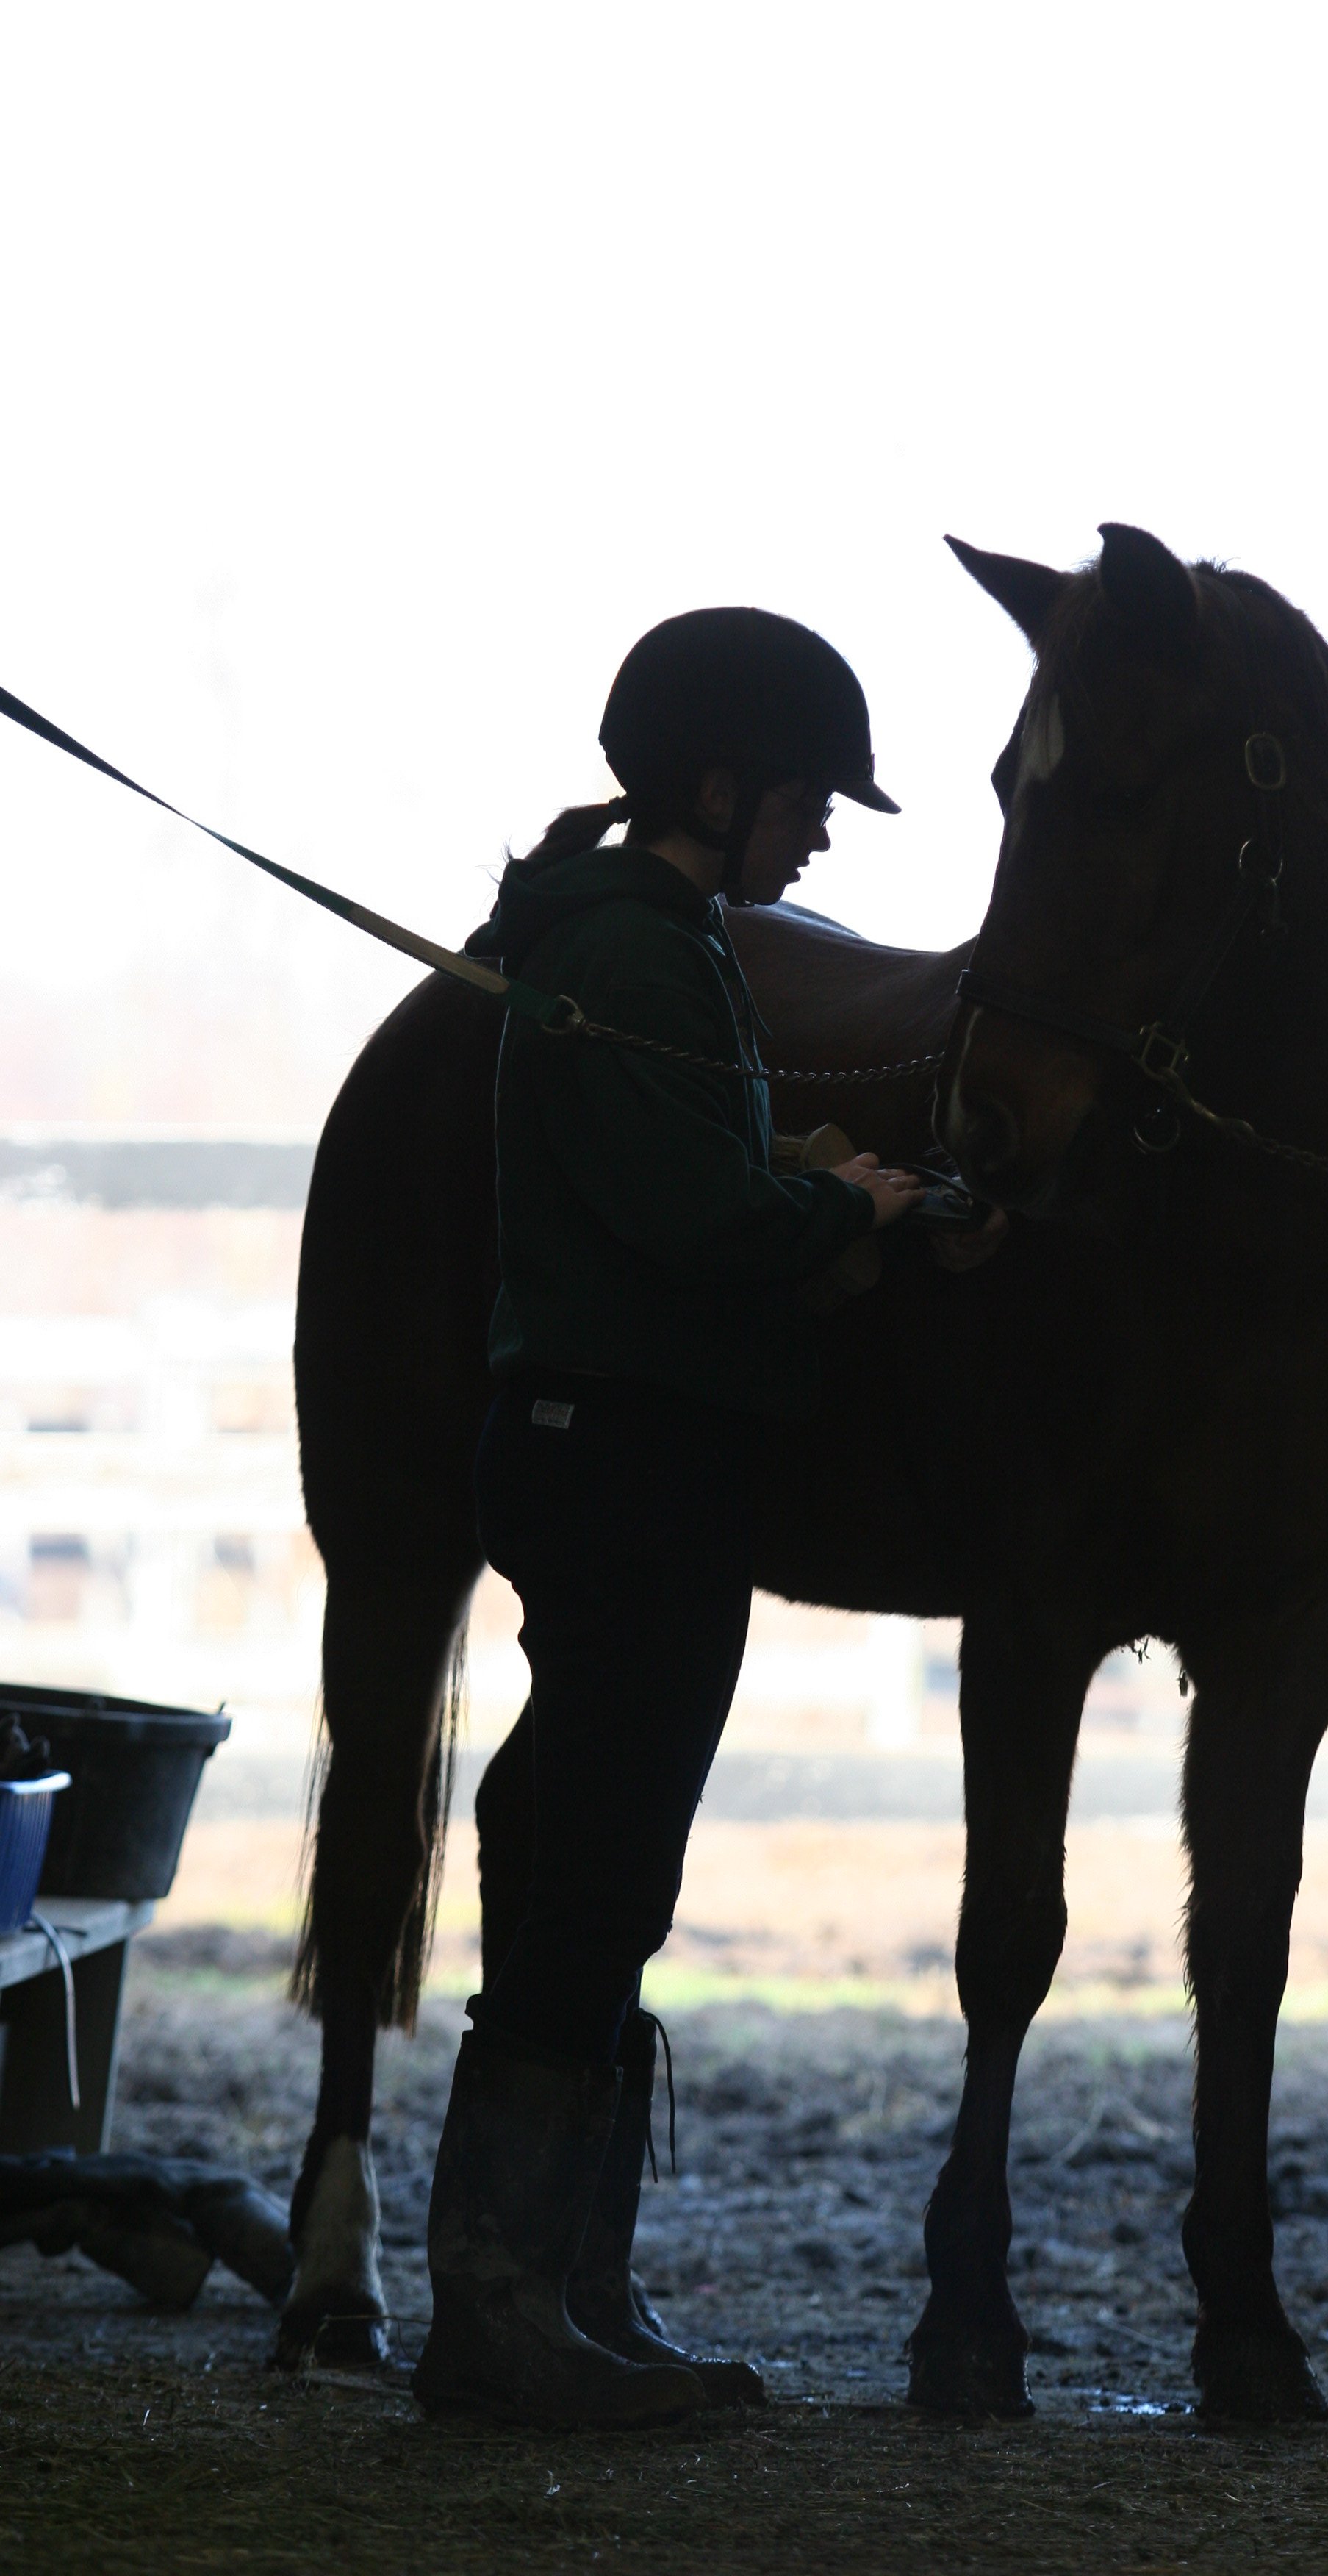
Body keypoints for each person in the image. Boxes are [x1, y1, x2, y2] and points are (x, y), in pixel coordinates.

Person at [412, 608, 926, 2430]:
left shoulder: (653, 944)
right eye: (802, 795)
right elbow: (694, 1225)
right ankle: (494, 2310)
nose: (820, 832)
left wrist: (811, 1175)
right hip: (633, 1452)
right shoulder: (636, 952)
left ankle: (559, 2285)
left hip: (618, 1447)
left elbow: (702, 1169)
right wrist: (849, 1217)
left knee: (597, 1856)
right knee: (605, 1871)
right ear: (718, 783)